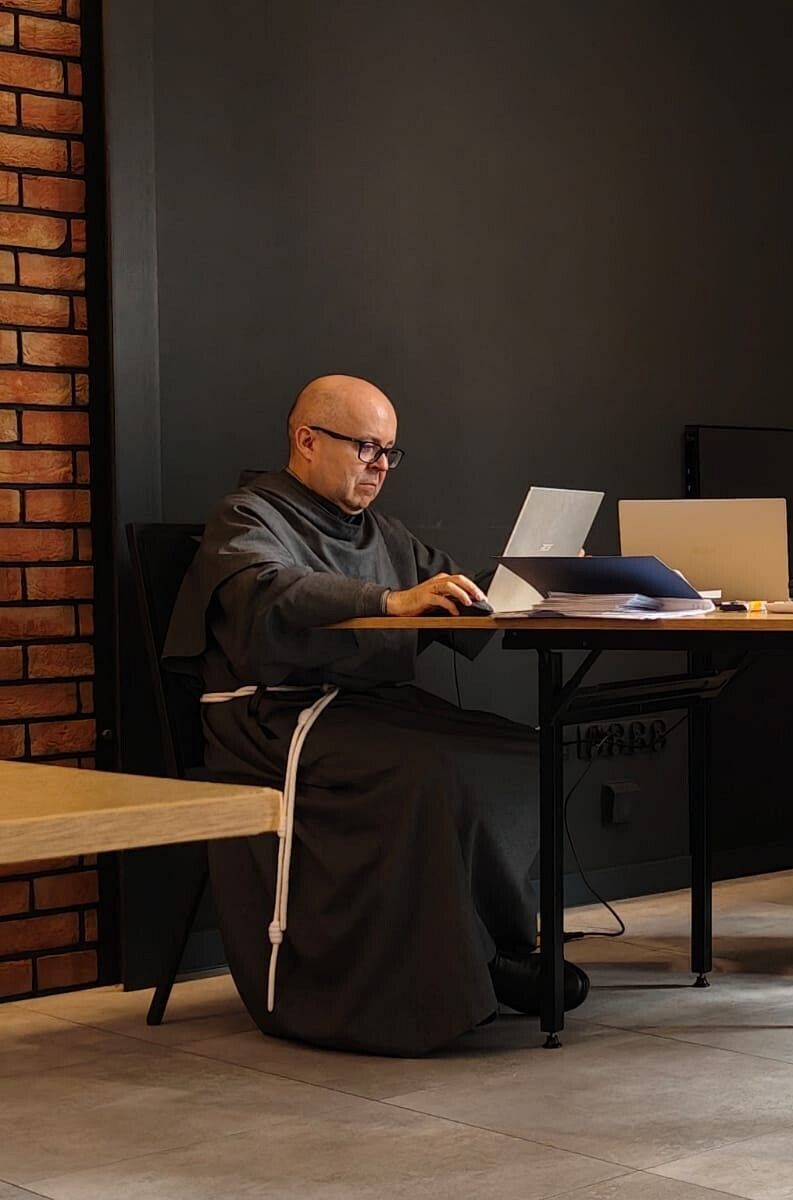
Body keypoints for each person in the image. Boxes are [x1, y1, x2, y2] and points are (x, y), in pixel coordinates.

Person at [164, 374, 584, 1056]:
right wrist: (389, 601)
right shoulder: (248, 516)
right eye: (366, 447)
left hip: (367, 710)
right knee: (431, 768)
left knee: (523, 750)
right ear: (307, 440)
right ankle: (446, 982)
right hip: (276, 718)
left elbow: (453, 592)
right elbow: (270, 591)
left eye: (390, 452)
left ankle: (496, 949)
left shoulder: (383, 533)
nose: (381, 466)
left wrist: (537, 581)